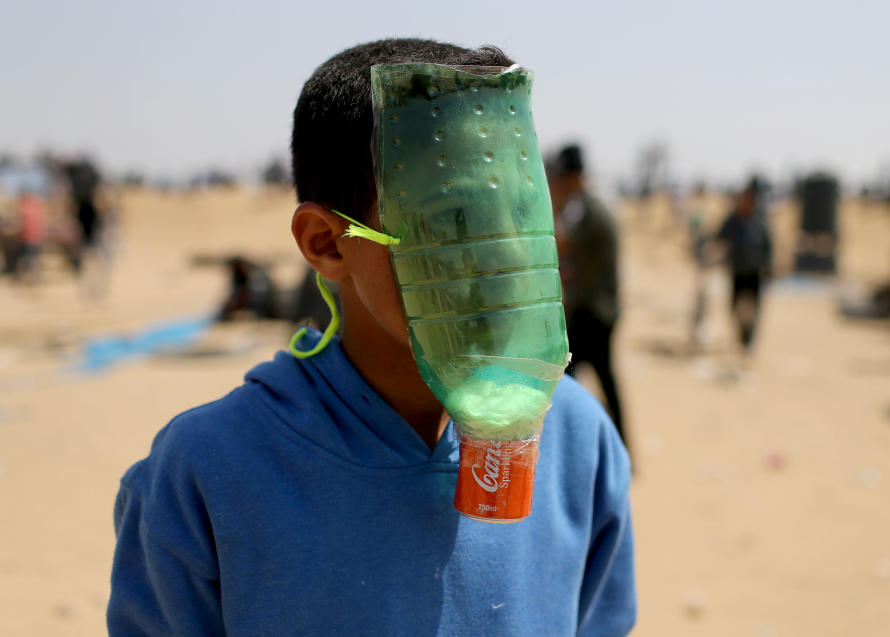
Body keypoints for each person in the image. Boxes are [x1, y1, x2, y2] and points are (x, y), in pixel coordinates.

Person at [107, 39, 635, 636]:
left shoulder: (580, 444)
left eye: (519, 214)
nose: (507, 256)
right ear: (327, 244)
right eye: (454, 222)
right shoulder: (206, 475)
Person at [548, 144, 626, 447]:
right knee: (590, 379)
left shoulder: (590, 210)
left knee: (568, 380)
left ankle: (589, 444)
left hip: (593, 312)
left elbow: (560, 245)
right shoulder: (588, 206)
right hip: (595, 309)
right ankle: (612, 445)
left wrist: (552, 203)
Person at [715, 177, 772, 354]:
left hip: (754, 272)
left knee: (753, 309)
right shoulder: (732, 221)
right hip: (738, 271)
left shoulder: (759, 222)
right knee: (735, 308)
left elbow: (768, 246)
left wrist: (768, 267)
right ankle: (741, 336)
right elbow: (718, 239)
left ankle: (748, 341)